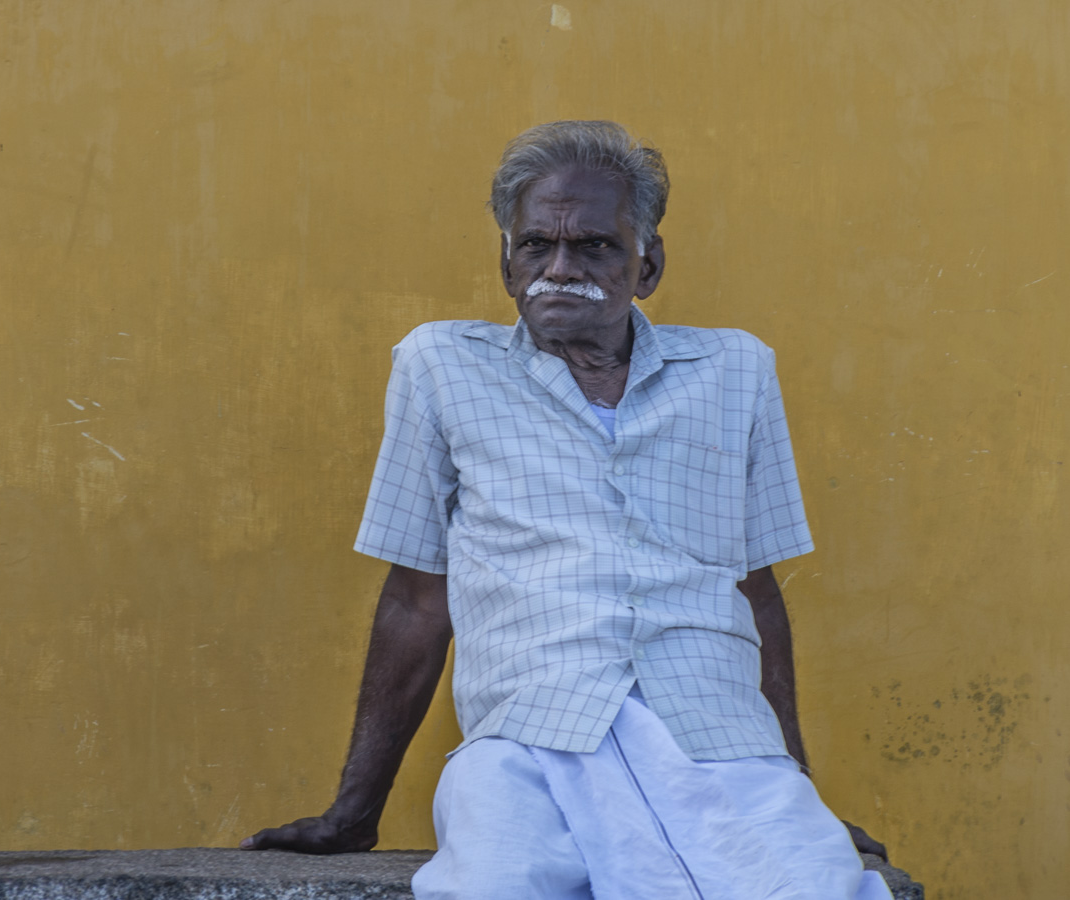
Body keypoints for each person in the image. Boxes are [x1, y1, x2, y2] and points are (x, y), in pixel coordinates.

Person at [241, 120, 892, 899]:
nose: (559, 268)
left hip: (713, 736)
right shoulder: (440, 366)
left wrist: (793, 788)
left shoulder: (736, 372)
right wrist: (354, 809)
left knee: (809, 886)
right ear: (505, 263)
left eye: (593, 247)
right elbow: (416, 601)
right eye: (534, 246)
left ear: (645, 265)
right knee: (495, 886)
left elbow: (755, 591)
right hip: (529, 730)